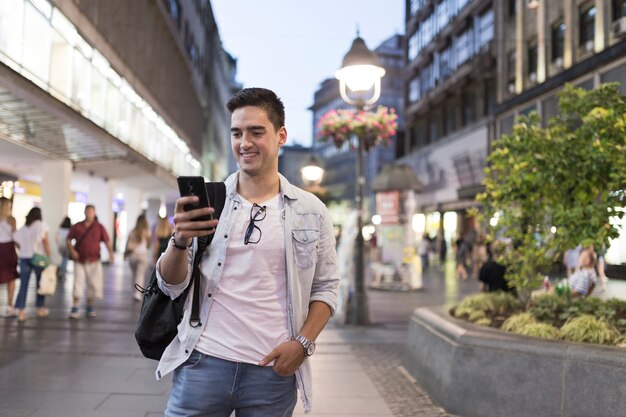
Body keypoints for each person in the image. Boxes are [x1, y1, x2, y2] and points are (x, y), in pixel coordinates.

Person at [156, 88, 339, 416]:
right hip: (203, 362)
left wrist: (302, 344)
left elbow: (326, 288)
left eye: (257, 132)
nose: (245, 142)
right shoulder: (210, 202)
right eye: (237, 133)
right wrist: (180, 239)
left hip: (272, 372)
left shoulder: (311, 210)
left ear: (281, 135)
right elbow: (171, 285)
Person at [66, 204, 114, 319]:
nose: (89, 214)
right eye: (87, 212)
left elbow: (107, 240)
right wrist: (72, 251)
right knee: (78, 282)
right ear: (84, 213)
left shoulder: (99, 227)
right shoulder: (77, 226)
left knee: (93, 284)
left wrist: (111, 253)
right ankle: (75, 305)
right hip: (80, 260)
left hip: (94, 260)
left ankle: (90, 305)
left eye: (91, 212)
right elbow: (68, 239)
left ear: (94, 213)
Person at [13, 207, 51, 322]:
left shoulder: (24, 228)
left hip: (24, 258)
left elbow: (16, 240)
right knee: (41, 283)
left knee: (23, 285)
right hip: (37, 257)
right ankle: (40, 308)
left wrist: (22, 249)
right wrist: (49, 257)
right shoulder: (41, 225)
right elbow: (45, 242)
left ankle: (21, 311)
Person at [125, 214, 151, 301]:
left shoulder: (132, 231)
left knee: (134, 274)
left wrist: (125, 254)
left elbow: (127, 244)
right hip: (143, 255)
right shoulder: (147, 231)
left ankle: (135, 291)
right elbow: (148, 245)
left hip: (133, 255)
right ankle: (137, 294)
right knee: (140, 275)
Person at [0, 197, 18, 317]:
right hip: (8, 249)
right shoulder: (11, 219)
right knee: (11, 278)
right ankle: (9, 306)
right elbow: (15, 235)